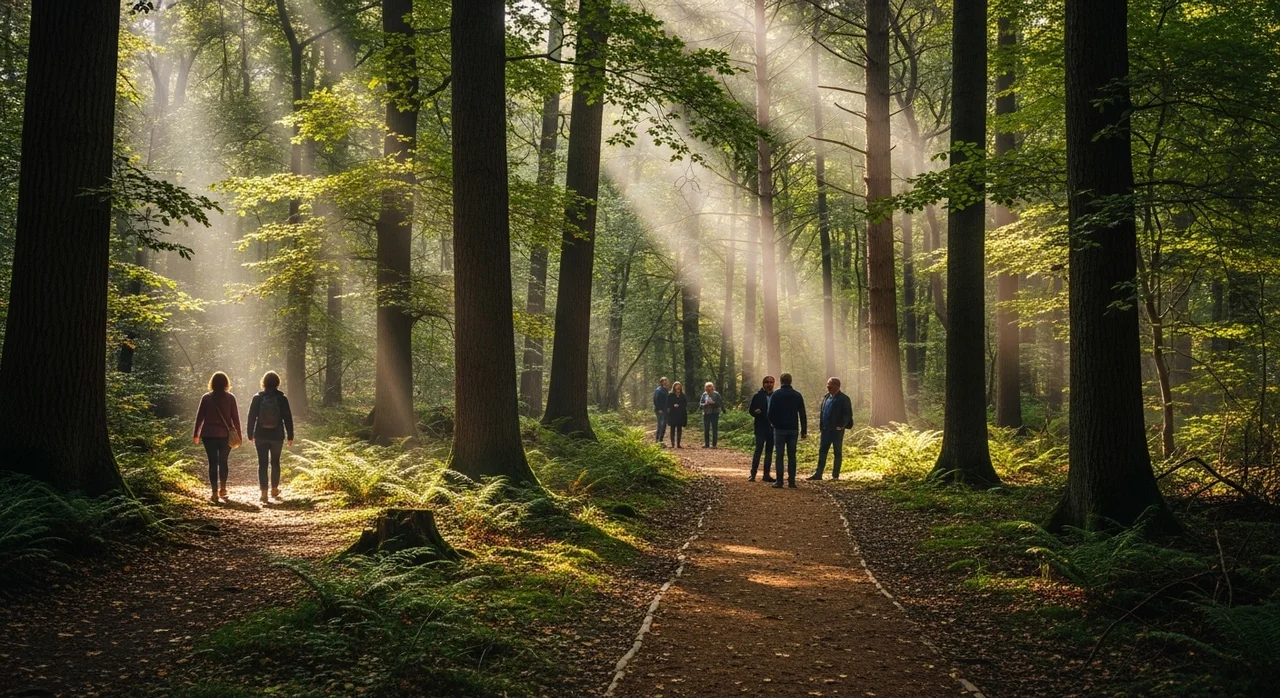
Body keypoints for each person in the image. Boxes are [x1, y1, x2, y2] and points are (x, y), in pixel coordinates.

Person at [246, 371, 295, 503]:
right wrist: (290, 435)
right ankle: (274, 489)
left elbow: (251, 417)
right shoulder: (282, 398)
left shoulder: (258, 397)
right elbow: (288, 418)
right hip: (277, 435)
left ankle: (263, 493)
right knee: (275, 462)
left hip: (260, 435)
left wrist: (250, 433)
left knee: (262, 464)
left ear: (264, 382)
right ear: (277, 383)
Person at [193, 371, 242, 503]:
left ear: (212, 383)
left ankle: (214, 491)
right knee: (223, 461)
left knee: (212, 463)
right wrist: (239, 435)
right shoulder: (231, 398)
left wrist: (196, 434)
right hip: (225, 436)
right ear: (226, 383)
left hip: (208, 435)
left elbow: (199, 418)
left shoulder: (206, 398)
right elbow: (235, 419)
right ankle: (223, 488)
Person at [766, 373, 807, 489]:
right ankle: (792, 482)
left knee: (779, 455)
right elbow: (802, 414)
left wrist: (773, 423)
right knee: (792, 456)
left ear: (781, 381)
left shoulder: (776, 395)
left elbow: (770, 412)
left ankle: (779, 481)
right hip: (793, 429)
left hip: (779, 429)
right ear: (791, 381)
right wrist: (804, 430)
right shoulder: (797, 395)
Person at [809, 377, 854, 480]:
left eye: (830, 384)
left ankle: (835, 475)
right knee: (822, 451)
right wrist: (821, 426)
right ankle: (818, 474)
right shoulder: (826, 397)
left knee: (837, 452)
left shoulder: (844, 398)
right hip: (825, 430)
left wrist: (841, 425)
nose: (827, 386)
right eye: (827, 384)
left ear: (836, 386)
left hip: (837, 431)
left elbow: (848, 414)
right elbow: (822, 412)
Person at [748, 376, 776, 482]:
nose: (769, 384)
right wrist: (756, 412)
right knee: (758, 450)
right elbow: (751, 410)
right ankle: (753, 474)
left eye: (771, 382)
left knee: (769, 451)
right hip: (760, 427)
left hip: (772, 428)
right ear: (763, 383)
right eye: (767, 382)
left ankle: (766, 475)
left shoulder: (776, 396)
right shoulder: (757, 395)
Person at [699, 381, 723, 448]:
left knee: (714, 429)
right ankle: (706, 444)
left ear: (712, 387)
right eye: (707, 387)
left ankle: (714, 444)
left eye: (709, 386)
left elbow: (720, 403)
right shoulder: (704, 395)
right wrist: (705, 404)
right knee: (706, 429)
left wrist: (713, 403)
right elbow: (700, 405)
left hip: (714, 414)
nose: (708, 388)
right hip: (706, 414)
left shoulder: (716, 394)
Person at [666, 381, 688, 448]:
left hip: (681, 414)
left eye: (679, 386)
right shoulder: (670, 394)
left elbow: (685, 404)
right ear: (674, 387)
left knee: (679, 429)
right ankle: (672, 444)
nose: (678, 387)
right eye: (676, 385)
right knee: (672, 428)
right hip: (673, 413)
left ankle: (678, 444)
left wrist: (679, 405)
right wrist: (673, 405)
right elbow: (667, 403)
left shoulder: (683, 395)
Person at [653, 377, 670, 446]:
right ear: (662, 382)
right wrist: (659, 409)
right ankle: (658, 440)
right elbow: (655, 399)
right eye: (665, 380)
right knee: (661, 425)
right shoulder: (659, 390)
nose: (666, 381)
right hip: (660, 410)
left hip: (665, 410)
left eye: (667, 380)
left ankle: (661, 440)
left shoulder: (666, 390)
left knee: (664, 425)